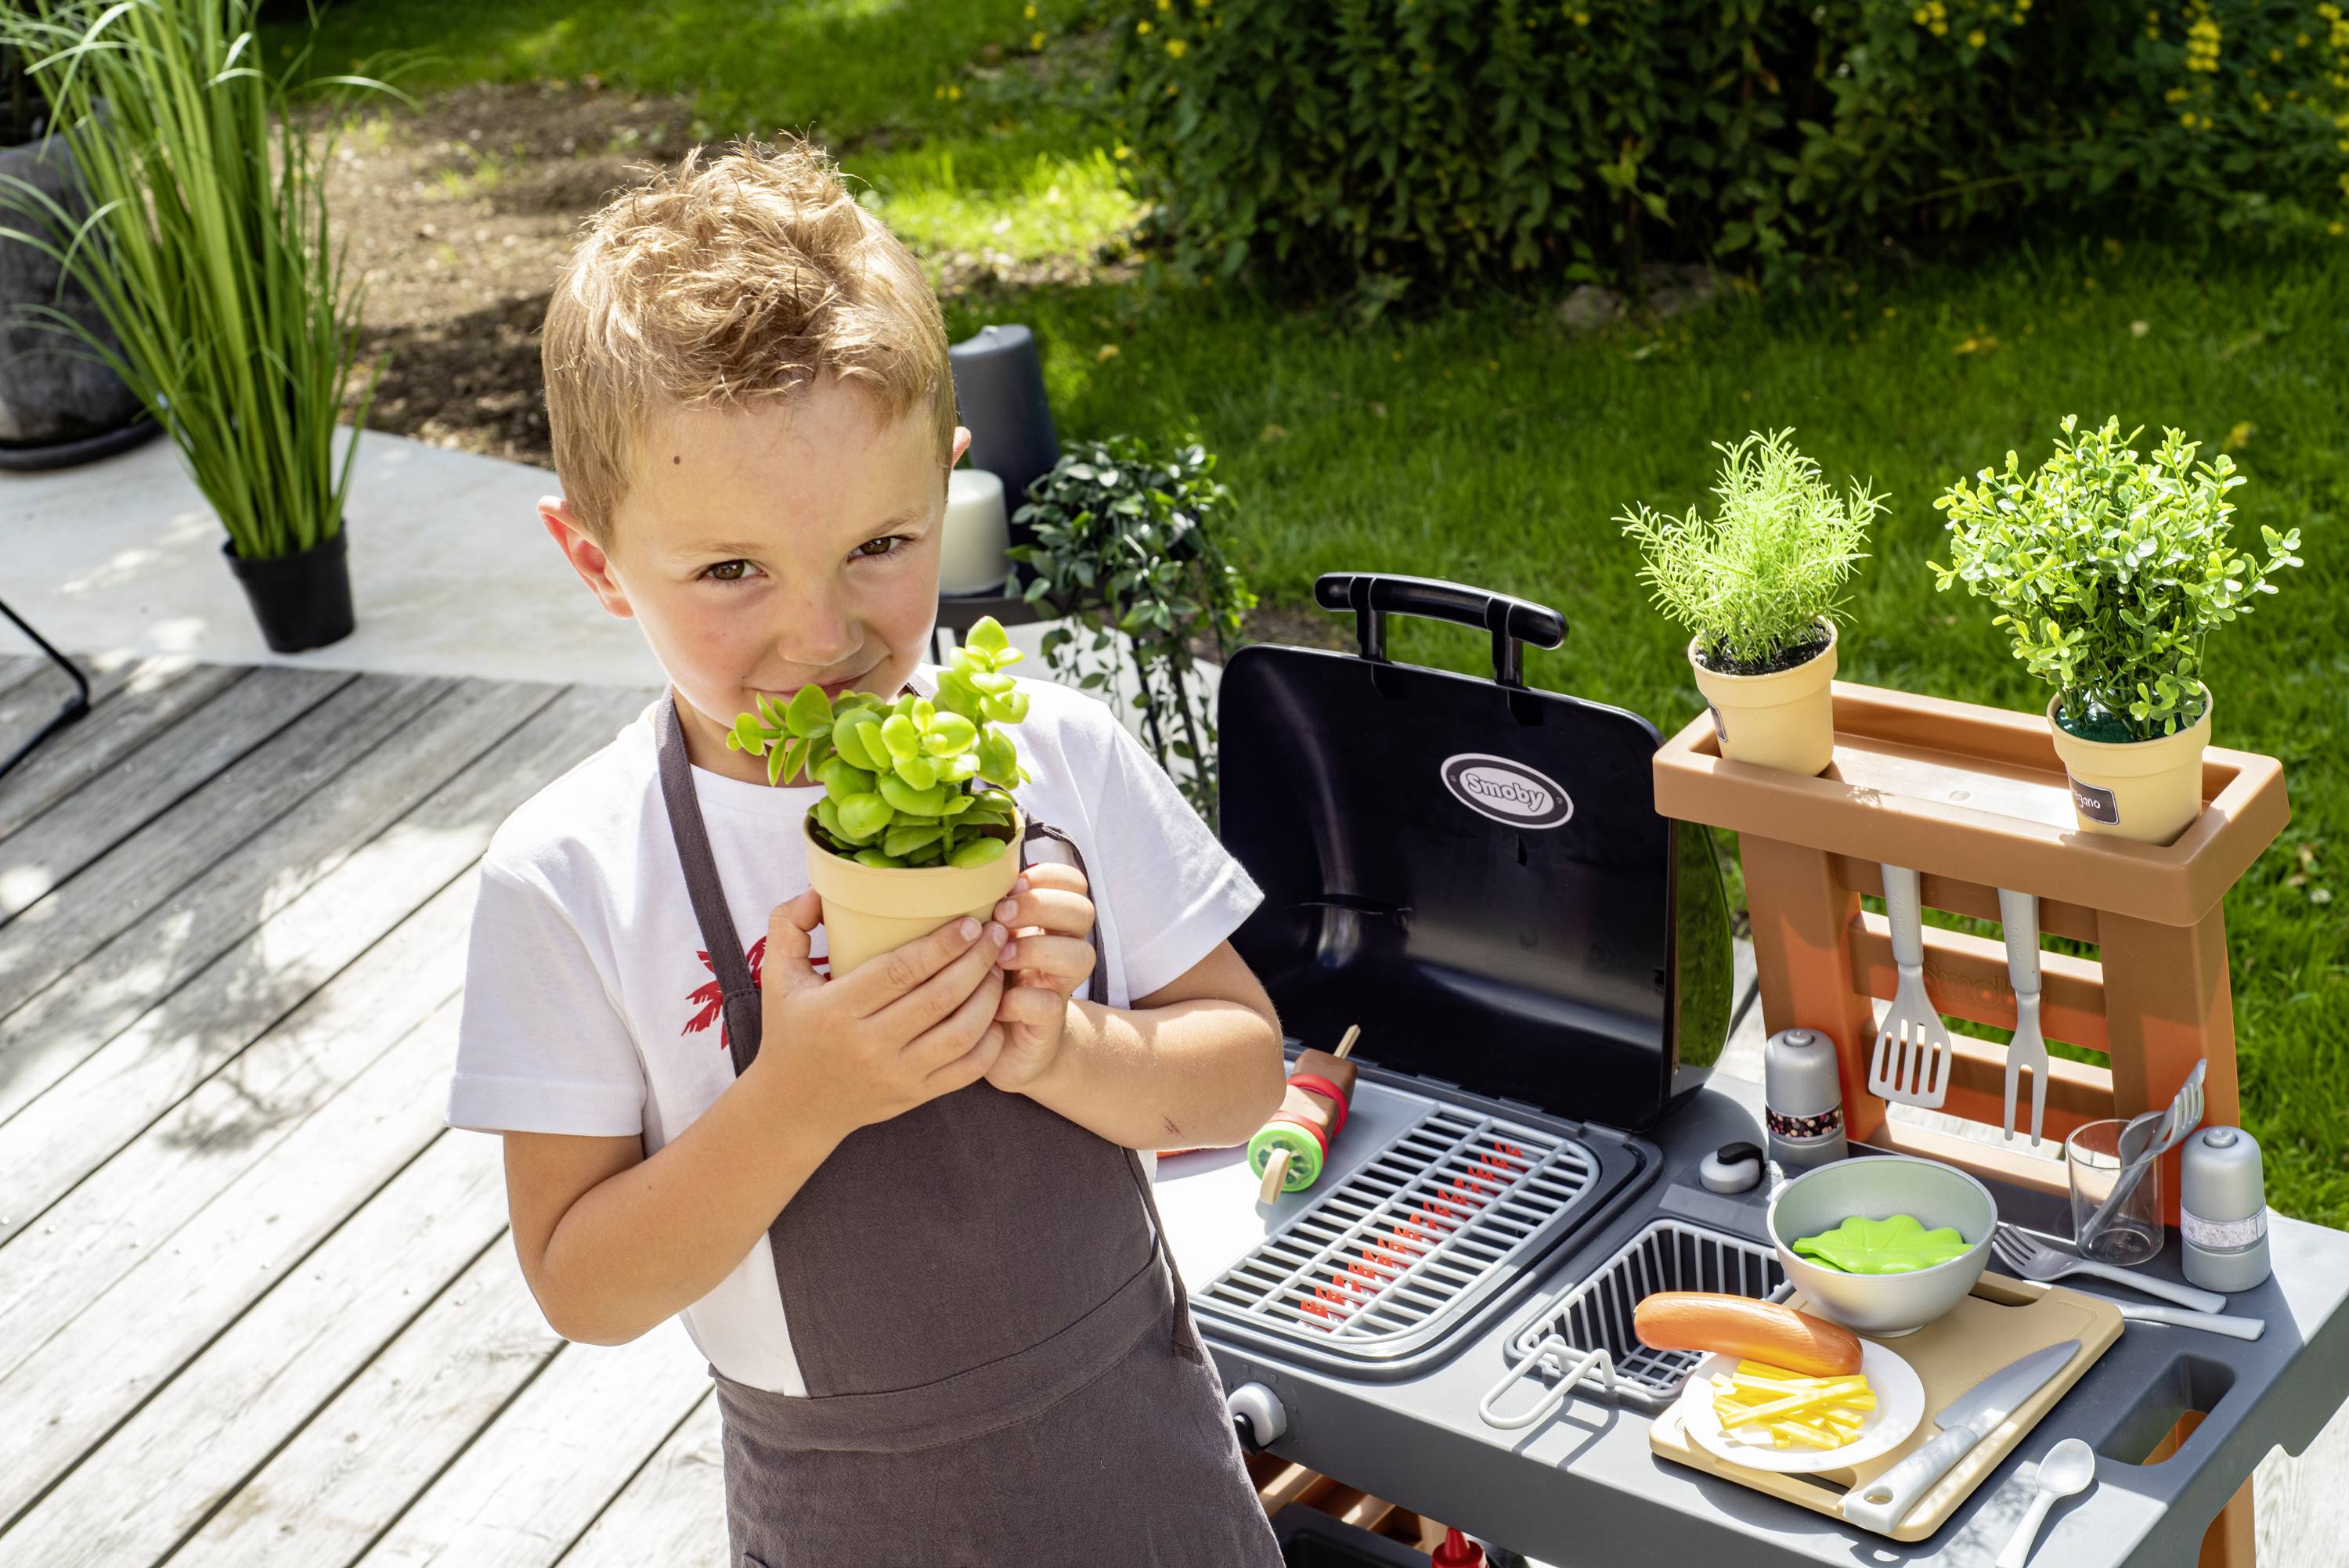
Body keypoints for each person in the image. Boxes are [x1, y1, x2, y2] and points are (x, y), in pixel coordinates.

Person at [444, 136, 1290, 1565]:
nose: (822, 634)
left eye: (880, 546)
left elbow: (1247, 1070)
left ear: (948, 492)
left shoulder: (1052, 750)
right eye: (729, 572)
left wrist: (1063, 1047)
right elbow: (582, 1282)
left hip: (1140, 1468)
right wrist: (802, 1095)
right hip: (848, 1516)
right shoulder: (578, 875)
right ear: (595, 560)